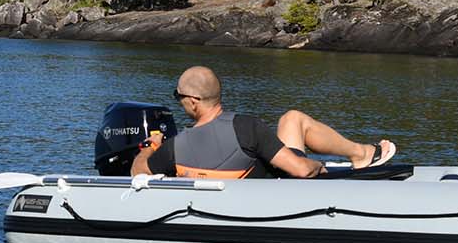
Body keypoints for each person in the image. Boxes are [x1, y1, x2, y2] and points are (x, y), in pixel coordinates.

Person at [130, 66, 394, 179]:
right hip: (283, 179)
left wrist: (150, 148)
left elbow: (138, 174)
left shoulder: (176, 147)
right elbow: (302, 171)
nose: (178, 101)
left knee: (291, 120)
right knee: (293, 119)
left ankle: (362, 154)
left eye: (178, 96)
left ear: (193, 101)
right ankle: (363, 153)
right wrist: (321, 166)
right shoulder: (246, 127)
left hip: (228, 184)